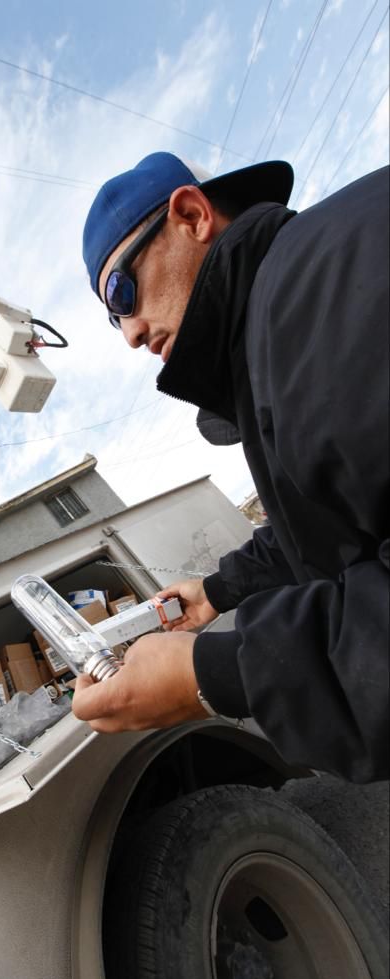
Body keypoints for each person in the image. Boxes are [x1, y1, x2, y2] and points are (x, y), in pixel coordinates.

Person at [72, 151, 389, 783]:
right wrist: (216, 592)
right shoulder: (288, 323)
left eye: (122, 292)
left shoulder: (316, 313)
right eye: (114, 318)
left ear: (192, 216)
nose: (129, 334)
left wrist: (214, 673)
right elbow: (321, 519)